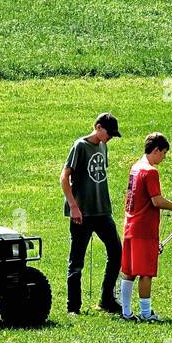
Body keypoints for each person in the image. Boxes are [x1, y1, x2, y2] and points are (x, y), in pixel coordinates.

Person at [120, 132, 172, 322]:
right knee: (145, 273)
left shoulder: (135, 167)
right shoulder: (150, 171)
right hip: (144, 229)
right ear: (156, 150)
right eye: (164, 153)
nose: (164, 157)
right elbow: (156, 201)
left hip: (130, 225)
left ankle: (126, 312)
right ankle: (145, 313)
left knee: (128, 271)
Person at [61, 112, 123, 315]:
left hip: (102, 211)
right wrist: (74, 207)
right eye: (109, 133)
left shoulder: (103, 146)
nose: (110, 137)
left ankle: (106, 299)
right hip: (82, 213)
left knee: (116, 252)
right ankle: (73, 307)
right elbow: (64, 178)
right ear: (97, 127)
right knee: (76, 260)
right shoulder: (80, 146)